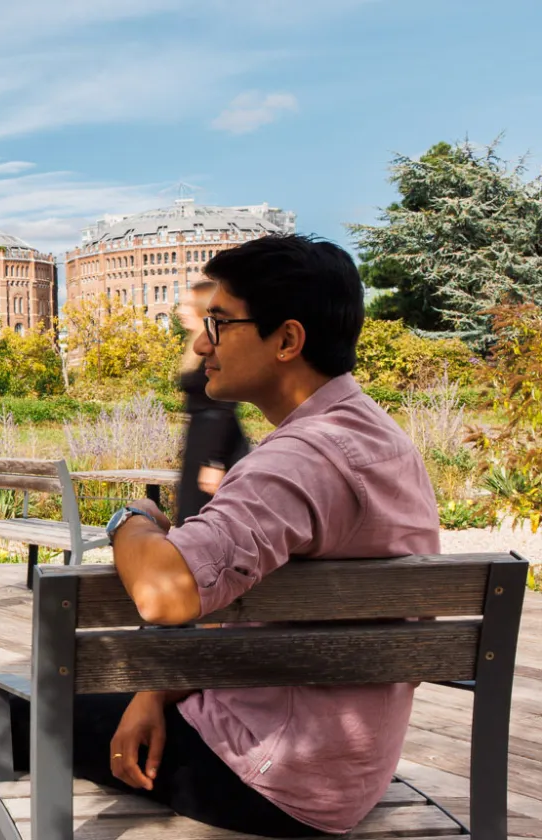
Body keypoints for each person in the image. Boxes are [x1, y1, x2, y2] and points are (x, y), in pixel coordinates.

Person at [87, 234, 439, 837]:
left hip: (267, 776)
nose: (202, 345)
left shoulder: (299, 461)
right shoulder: (381, 438)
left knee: (19, 701)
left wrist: (130, 519)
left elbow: (163, 591)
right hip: (347, 766)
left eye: (220, 324)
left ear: (287, 340)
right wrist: (155, 691)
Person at [173, 276, 251, 524]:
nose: (179, 311)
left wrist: (214, 461)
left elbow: (225, 405)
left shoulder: (217, 349)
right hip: (200, 441)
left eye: (186, 305)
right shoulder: (197, 347)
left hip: (215, 446)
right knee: (190, 518)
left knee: (204, 520)